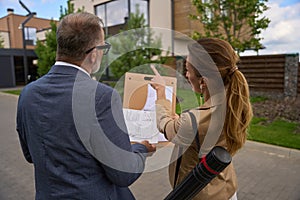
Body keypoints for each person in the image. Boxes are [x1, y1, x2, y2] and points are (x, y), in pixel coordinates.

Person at [16, 12, 156, 200]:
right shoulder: (102, 97)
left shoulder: (28, 94)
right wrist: (141, 149)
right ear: (94, 53)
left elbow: (31, 155)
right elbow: (123, 173)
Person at [151, 38, 253, 200]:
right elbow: (195, 129)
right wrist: (182, 122)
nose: (186, 74)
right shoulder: (233, 104)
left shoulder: (194, 120)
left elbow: (166, 126)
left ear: (203, 81)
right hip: (226, 189)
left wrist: (161, 92)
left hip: (199, 195)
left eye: (188, 69)